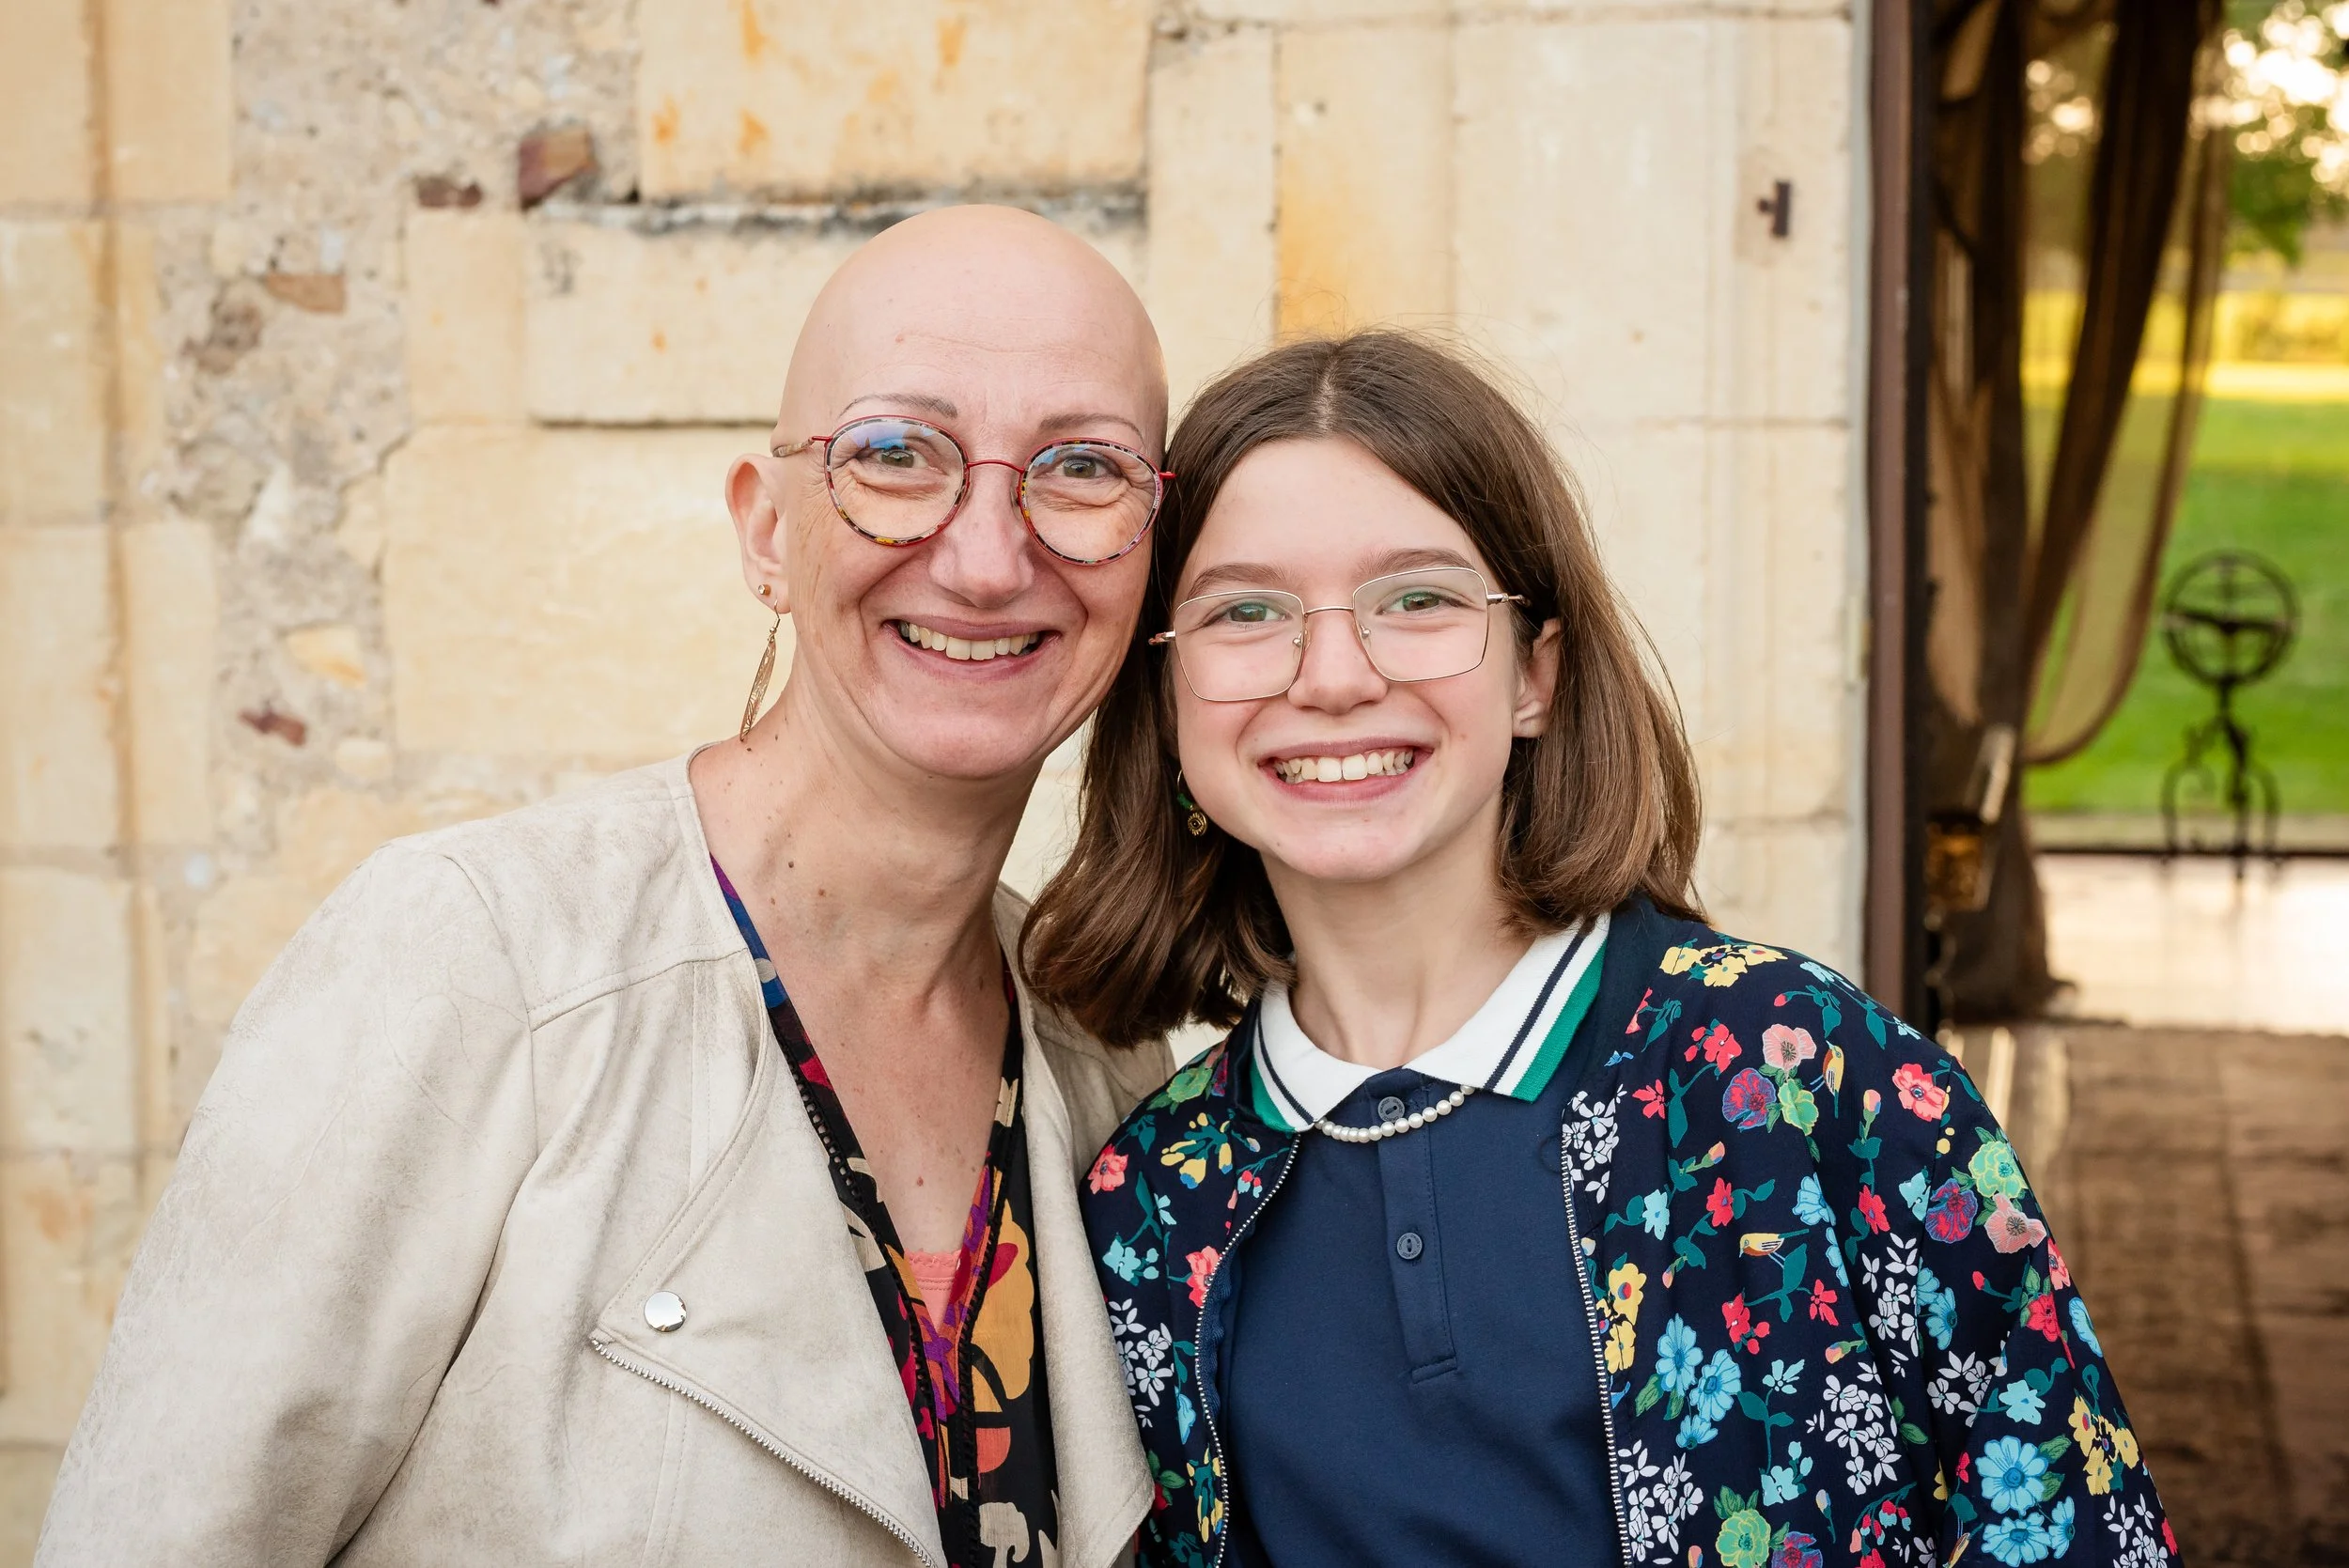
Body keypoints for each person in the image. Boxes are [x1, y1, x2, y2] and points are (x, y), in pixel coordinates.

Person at [39, 206, 1173, 1568]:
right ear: (766, 533)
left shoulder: (1102, 1060)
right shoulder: (468, 964)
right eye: (893, 455)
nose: (989, 556)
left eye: (1081, 470)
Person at [1028, 333, 2176, 1568]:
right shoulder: (1153, 1203)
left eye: (1416, 599)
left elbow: (2083, 1531)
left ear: (1536, 676)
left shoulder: (1808, 1076)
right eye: (1245, 611)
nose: (1334, 675)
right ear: (1168, 697)